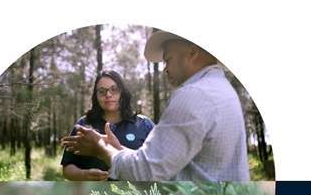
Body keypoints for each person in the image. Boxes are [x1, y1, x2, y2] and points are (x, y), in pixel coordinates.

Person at [61, 31, 250, 181]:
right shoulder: (222, 88)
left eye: (168, 59)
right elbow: (164, 163)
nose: (165, 68)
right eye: (102, 91)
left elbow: (147, 170)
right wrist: (118, 149)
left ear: (192, 52)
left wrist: (102, 149)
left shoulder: (194, 95)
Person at [61, 69, 154, 181]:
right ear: (96, 96)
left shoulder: (144, 125)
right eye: (101, 91)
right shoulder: (83, 125)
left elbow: (159, 165)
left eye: (114, 89)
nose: (108, 95)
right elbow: (67, 167)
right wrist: (84, 175)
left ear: (122, 92)